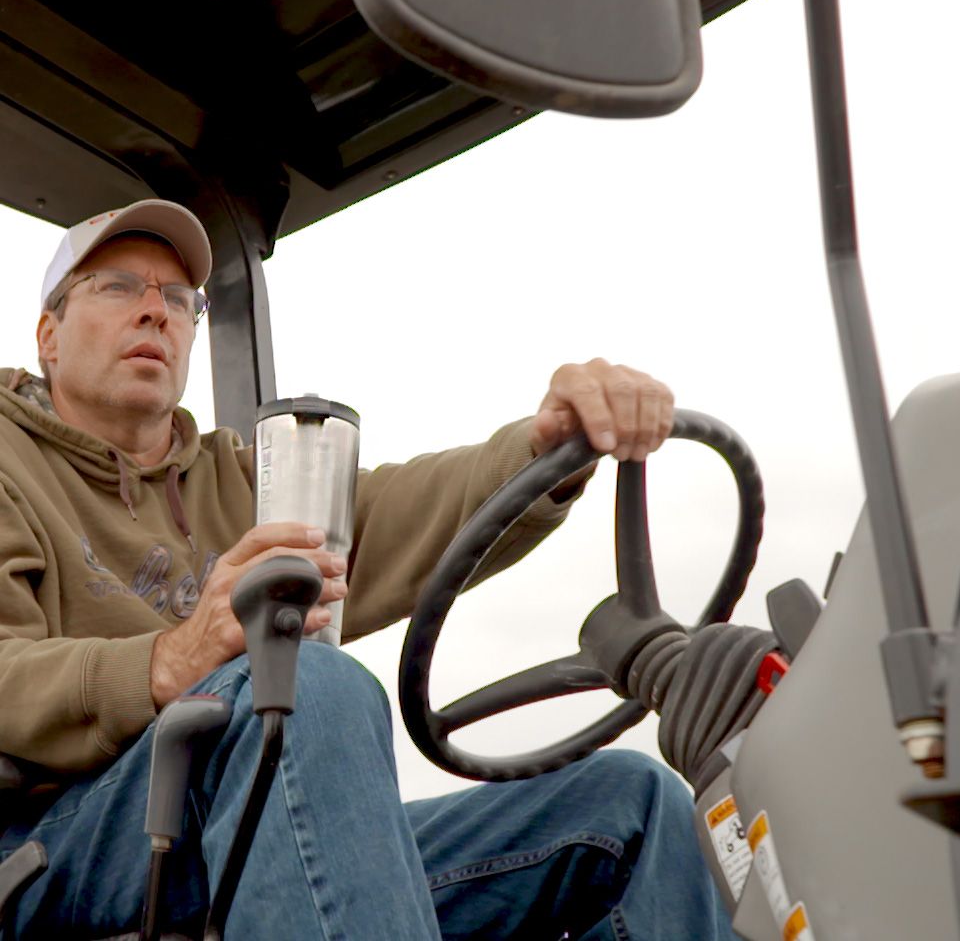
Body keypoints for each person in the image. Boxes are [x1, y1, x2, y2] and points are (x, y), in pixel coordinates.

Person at [0, 200, 732, 939]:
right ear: (49, 335)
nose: (157, 313)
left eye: (180, 299)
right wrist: (171, 660)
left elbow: (409, 511)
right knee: (303, 684)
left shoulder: (244, 483)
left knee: (626, 805)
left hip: (240, 813)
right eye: (120, 286)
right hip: (56, 842)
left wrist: (547, 447)